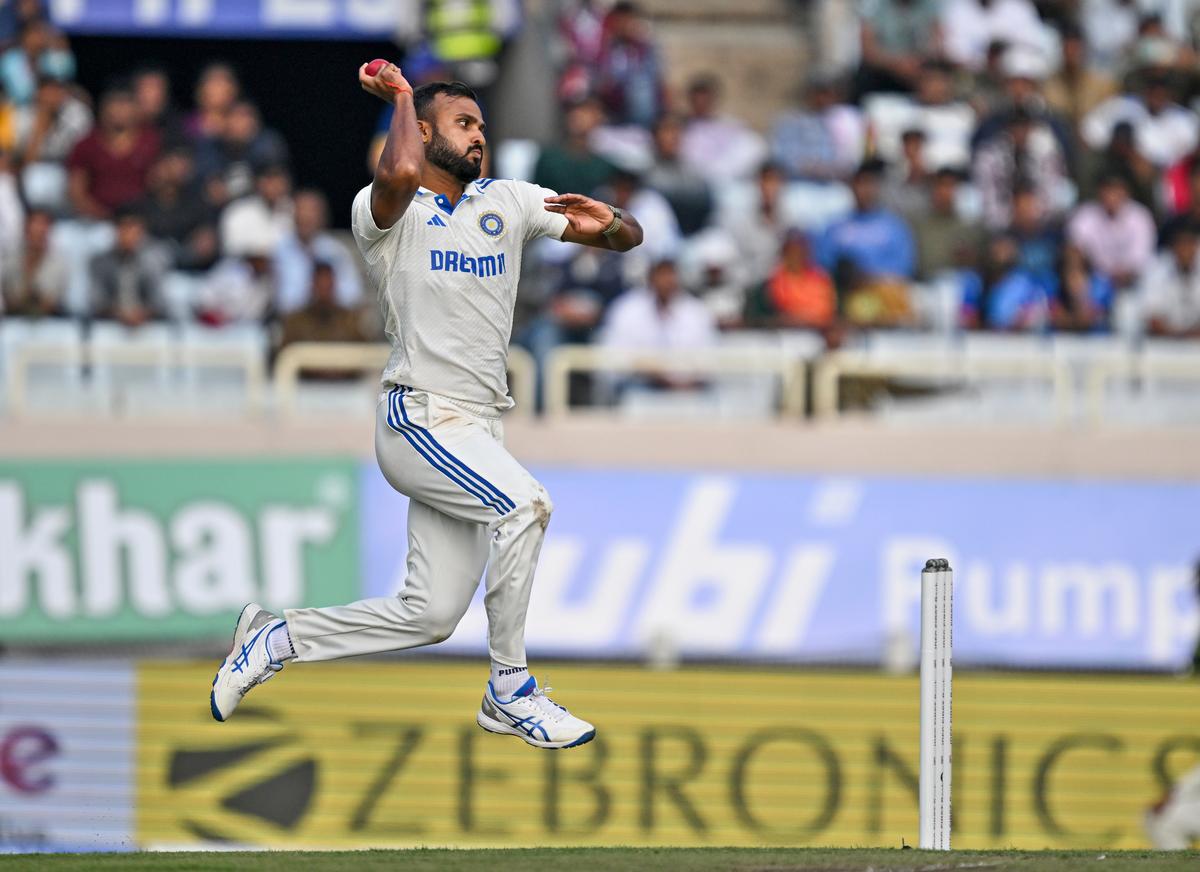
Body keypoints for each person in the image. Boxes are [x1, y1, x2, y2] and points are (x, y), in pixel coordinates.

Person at [208, 71, 643, 750]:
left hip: (479, 426)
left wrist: (613, 225)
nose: (480, 137)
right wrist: (406, 100)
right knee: (524, 506)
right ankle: (510, 689)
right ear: (426, 130)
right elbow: (404, 168)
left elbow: (627, 238)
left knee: (430, 615)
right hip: (420, 416)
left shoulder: (510, 201)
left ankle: (277, 638)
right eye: (464, 124)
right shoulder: (386, 213)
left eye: (483, 127)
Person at [275, 188, 362, 314]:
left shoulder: (336, 251)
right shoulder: (280, 250)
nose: (305, 216)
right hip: (292, 323)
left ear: (322, 216)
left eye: (311, 211)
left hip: (331, 320)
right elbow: (282, 300)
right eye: (301, 209)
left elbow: (352, 295)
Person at [1066, 172, 1155, 289]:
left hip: (1135, 282)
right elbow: (1074, 250)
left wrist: (1121, 276)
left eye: (1116, 190)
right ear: (1099, 191)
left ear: (1126, 192)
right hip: (1097, 281)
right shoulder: (1085, 215)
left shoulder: (1140, 216)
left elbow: (1141, 260)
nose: (1111, 195)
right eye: (1107, 190)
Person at [89, 206, 167, 327]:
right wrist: (120, 314)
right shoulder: (100, 262)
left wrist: (141, 314)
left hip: (147, 326)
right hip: (109, 326)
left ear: (142, 232)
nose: (129, 234)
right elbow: (97, 300)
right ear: (115, 231)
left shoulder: (154, 260)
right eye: (124, 228)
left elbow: (158, 301)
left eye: (133, 229)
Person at [2, 208, 68, 317]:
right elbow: (8, 297)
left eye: (43, 228)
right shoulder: (10, 259)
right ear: (26, 230)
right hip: (12, 318)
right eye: (35, 227)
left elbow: (51, 301)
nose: (39, 232)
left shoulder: (58, 263)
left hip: (49, 322)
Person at [1139, 223, 1200, 337]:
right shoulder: (1156, 270)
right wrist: (1181, 336)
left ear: (1196, 246)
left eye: (1189, 244)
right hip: (1166, 343)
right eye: (1181, 245)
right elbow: (1153, 320)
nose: (1185, 250)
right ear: (1173, 247)